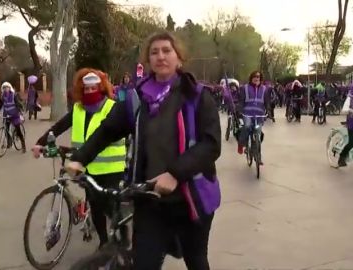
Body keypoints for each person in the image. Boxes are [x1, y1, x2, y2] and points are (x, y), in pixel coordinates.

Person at [66, 31, 221, 270]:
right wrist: (81, 158)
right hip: (150, 200)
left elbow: (210, 144)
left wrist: (175, 174)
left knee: (196, 260)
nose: (161, 56)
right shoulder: (137, 98)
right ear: (148, 61)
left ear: (179, 58)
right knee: (144, 263)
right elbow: (109, 129)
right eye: (154, 52)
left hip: (192, 198)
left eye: (167, 51)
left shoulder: (197, 96)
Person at [31, 68, 126, 249]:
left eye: (93, 88)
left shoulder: (112, 107)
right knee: (96, 207)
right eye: (86, 89)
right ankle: (104, 243)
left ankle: (120, 241)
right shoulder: (78, 109)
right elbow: (59, 127)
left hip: (111, 168)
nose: (89, 92)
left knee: (111, 208)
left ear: (101, 87)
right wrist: (40, 143)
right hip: (86, 167)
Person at [237, 71, 271, 163]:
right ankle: (241, 144)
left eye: (259, 77)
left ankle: (257, 156)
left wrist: (268, 111)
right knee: (247, 126)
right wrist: (239, 111)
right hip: (247, 113)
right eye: (255, 77)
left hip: (259, 115)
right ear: (251, 78)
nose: (257, 79)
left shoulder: (265, 89)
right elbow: (241, 101)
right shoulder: (245, 88)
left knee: (258, 134)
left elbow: (267, 102)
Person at [0, 82, 26, 153]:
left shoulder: (14, 95)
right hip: (7, 115)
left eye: (7, 87)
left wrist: (19, 111)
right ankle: (9, 143)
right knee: (6, 129)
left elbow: (18, 104)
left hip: (14, 115)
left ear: (10, 88)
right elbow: (0, 105)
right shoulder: (2, 96)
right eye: (4, 88)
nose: (6, 89)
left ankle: (23, 145)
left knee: (18, 131)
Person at [338, 84, 353, 167]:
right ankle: (341, 157)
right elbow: (344, 110)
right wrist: (350, 110)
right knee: (351, 143)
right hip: (352, 123)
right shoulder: (350, 98)